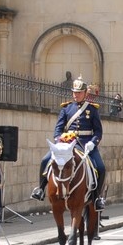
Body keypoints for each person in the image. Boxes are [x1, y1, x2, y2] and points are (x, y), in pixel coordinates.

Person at [32, 76, 106, 209]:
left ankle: (97, 198)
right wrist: (58, 140)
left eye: (78, 93)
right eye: (74, 92)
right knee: (45, 160)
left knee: (100, 167)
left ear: (85, 93)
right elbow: (58, 129)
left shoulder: (92, 109)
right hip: (66, 144)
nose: (76, 95)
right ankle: (40, 189)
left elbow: (98, 132)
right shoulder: (66, 108)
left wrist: (93, 142)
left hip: (86, 144)